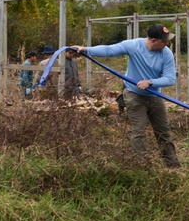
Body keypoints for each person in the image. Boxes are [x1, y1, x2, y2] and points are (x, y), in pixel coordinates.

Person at [71, 23, 180, 168]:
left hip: (154, 95)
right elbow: (109, 50)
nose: (166, 43)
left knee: (163, 131)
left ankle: (172, 164)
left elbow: (170, 78)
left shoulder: (166, 53)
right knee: (138, 131)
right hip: (134, 94)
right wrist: (86, 49)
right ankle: (142, 165)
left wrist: (150, 82)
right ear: (153, 40)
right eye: (164, 40)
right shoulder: (134, 46)